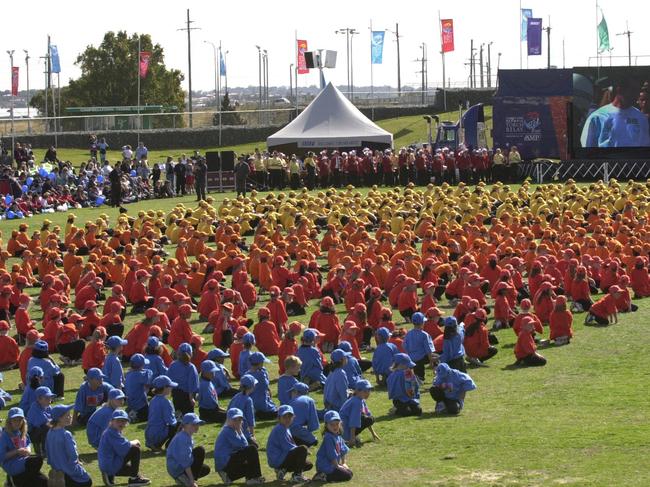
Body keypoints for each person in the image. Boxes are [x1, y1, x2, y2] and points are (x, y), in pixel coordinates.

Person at [580, 77, 650, 148]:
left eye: (637, 91)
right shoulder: (597, 117)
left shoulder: (641, 118)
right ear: (619, 89)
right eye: (632, 91)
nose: (636, 95)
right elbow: (588, 149)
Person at [98, 409, 151, 487]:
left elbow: (120, 448)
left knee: (134, 471)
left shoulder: (111, 431)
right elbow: (124, 447)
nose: (121, 423)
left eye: (123, 421)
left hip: (108, 464)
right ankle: (133, 480)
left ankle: (109, 476)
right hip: (110, 465)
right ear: (112, 421)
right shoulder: (111, 433)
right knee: (135, 449)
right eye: (118, 420)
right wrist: (135, 441)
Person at [45, 404, 92, 487]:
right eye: (67, 415)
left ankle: (60, 478)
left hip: (56, 468)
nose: (70, 416)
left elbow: (47, 449)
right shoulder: (66, 434)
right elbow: (73, 454)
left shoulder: (50, 432)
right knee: (87, 481)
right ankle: (66, 481)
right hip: (68, 469)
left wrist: (51, 463)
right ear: (59, 418)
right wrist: (76, 464)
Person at [0, 407, 48, 487]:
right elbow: (1, 457)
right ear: (9, 421)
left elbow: (28, 444)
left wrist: (28, 450)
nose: (17, 422)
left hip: (23, 462)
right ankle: (14, 479)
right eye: (14, 420)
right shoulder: (5, 436)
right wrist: (17, 451)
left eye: (20, 420)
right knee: (36, 460)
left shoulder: (23, 433)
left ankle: (13, 482)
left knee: (44, 481)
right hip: (11, 464)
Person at [266, 405, 313, 483]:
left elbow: (290, 445)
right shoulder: (280, 429)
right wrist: (304, 450)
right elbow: (287, 447)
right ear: (279, 418)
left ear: (293, 417)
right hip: (277, 459)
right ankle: (297, 476)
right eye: (284, 417)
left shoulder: (285, 427)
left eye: (290, 416)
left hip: (281, 457)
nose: (287, 419)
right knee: (303, 449)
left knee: (308, 465)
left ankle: (282, 470)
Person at [166, 413, 211, 487]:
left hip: (178, 466)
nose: (197, 426)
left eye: (197, 424)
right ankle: (184, 479)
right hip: (177, 469)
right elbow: (185, 462)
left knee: (205, 469)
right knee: (200, 450)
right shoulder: (183, 438)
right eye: (193, 424)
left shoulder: (186, 436)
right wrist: (192, 481)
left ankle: (185, 479)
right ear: (185, 425)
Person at [313, 410, 353, 483]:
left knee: (350, 473)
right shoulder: (328, 437)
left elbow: (343, 450)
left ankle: (325, 475)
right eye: (332, 424)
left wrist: (344, 463)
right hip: (325, 466)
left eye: (337, 424)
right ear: (326, 425)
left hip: (333, 464)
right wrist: (337, 466)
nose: (335, 427)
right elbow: (331, 454)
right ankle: (322, 476)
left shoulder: (337, 436)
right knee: (347, 475)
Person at [339, 379, 379, 448]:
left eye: (369, 390)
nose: (368, 393)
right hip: (344, 430)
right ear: (357, 391)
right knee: (369, 419)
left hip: (346, 428)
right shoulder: (356, 402)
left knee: (370, 418)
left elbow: (368, 415)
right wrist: (352, 438)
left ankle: (351, 438)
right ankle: (349, 438)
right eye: (365, 391)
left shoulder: (360, 400)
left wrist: (373, 433)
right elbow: (353, 420)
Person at [145, 375, 178, 450]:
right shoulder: (166, 402)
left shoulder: (153, 400)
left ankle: (154, 444)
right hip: (158, 433)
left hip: (149, 432)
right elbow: (170, 421)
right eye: (170, 386)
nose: (171, 388)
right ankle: (169, 445)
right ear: (165, 388)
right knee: (179, 426)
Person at [167, 342, 199, 415]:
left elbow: (169, 379)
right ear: (191, 354)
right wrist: (191, 398)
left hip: (176, 394)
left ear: (178, 353)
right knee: (188, 416)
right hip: (187, 396)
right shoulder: (191, 367)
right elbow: (192, 383)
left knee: (179, 414)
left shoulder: (173, 365)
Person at [403, 312, 436, 381]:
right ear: (422, 323)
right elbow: (429, 350)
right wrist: (432, 362)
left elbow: (404, 346)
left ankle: (416, 377)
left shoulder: (408, 333)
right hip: (421, 359)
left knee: (418, 374)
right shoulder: (424, 335)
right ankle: (437, 374)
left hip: (411, 359)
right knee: (436, 357)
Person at [227, 375, 258, 447]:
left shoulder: (236, 396)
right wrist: (252, 435)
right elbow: (250, 419)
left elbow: (228, 410)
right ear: (251, 387)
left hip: (230, 427)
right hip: (241, 430)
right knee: (254, 446)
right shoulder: (248, 400)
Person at [124, 354, 153, 422]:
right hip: (140, 405)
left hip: (130, 403)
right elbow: (150, 374)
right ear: (142, 365)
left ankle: (131, 413)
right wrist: (145, 370)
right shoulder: (140, 374)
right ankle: (135, 416)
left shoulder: (128, 374)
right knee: (149, 416)